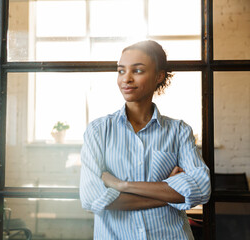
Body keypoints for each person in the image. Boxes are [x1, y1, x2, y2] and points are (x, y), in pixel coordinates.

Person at [79, 40, 211, 239]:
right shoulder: (98, 131)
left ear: (159, 76)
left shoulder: (179, 131)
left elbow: (201, 189)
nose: (126, 79)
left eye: (138, 71)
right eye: (121, 71)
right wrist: (169, 193)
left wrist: (122, 185)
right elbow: (94, 199)